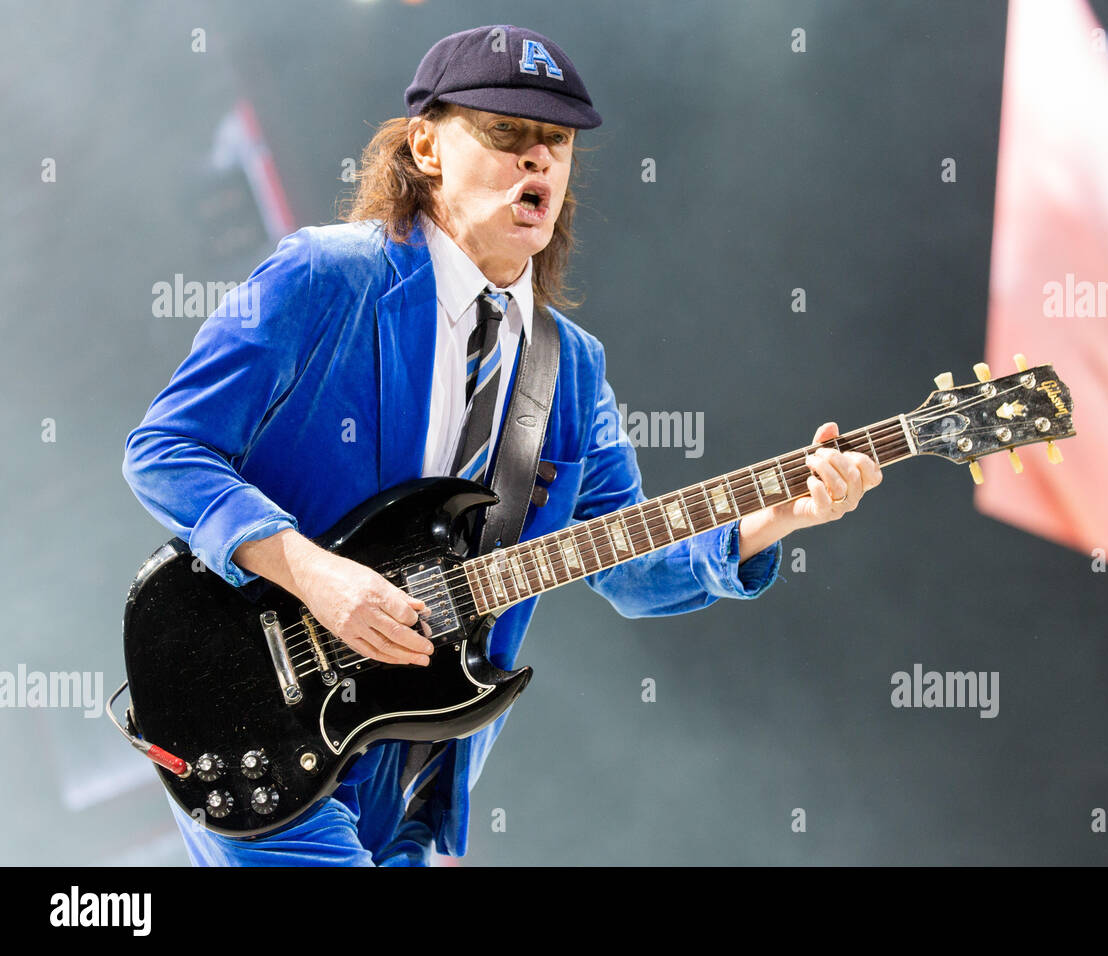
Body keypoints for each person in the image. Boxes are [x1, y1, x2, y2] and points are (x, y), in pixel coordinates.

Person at [122, 24, 882, 866]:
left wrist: (769, 518)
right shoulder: (324, 276)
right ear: (426, 144)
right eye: (506, 133)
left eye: (556, 142)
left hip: (416, 773)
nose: (539, 162)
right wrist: (316, 573)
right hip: (256, 707)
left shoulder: (572, 369)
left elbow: (627, 566)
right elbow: (166, 448)